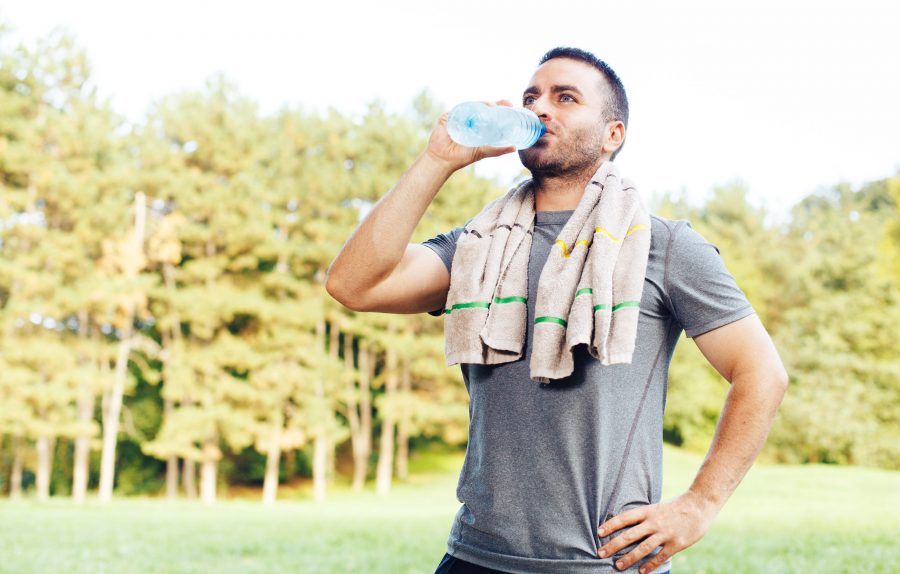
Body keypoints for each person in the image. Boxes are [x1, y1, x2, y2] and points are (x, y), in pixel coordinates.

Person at [325, 46, 789, 574]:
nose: (541, 108)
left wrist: (699, 506)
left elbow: (761, 373)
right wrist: (439, 159)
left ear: (613, 134)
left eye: (565, 97)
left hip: (602, 564)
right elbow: (354, 285)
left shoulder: (664, 246)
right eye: (532, 97)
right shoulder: (477, 246)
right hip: (473, 558)